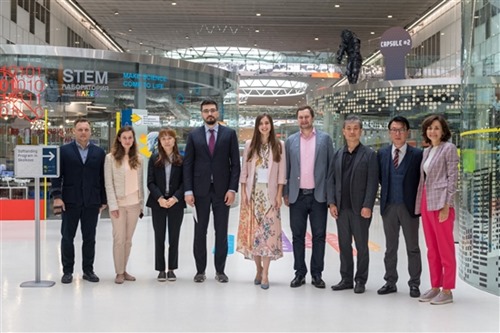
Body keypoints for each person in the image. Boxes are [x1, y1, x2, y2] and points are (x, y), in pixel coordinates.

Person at [183, 99, 241, 283]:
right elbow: (188, 165)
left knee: (221, 231)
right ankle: (200, 271)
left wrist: (232, 189)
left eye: (212, 110)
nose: (209, 113)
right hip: (199, 192)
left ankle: (220, 271)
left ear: (217, 113)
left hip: (222, 192)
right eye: (206, 110)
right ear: (201, 114)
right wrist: (188, 191)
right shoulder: (194, 135)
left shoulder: (229, 134)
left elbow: (235, 165)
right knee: (200, 232)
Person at [284, 105, 335, 289]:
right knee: (297, 236)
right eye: (300, 117)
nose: (304, 120)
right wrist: (286, 193)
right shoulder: (290, 141)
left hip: (318, 196)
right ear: (297, 119)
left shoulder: (325, 140)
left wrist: (331, 198)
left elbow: (331, 170)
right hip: (297, 196)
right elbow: (287, 169)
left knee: (319, 236)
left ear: (312, 118)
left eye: (307, 116)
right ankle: (299, 273)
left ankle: (317, 274)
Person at [51, 118, 106, 284]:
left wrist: (103, 200)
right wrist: (57, 197)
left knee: (90, 238)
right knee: (67, 237)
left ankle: (88, 270)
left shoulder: (99, 153)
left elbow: (102, 178)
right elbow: (56, 176)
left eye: (86, 129)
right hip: (70, 201)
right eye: (80, 129)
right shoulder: (63, 151)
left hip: (92, 202)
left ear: (90, 132)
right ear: (74, 131)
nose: (83, 132)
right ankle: (67, 271)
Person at [237, 114, 286, 290]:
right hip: (253, 195)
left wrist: (279, 194)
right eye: (261, 123)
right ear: (257, 126)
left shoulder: (279, 146)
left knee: (268, 236)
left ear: (271, 126)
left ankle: (266, 274)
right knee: (254, 236)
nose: (264, 126)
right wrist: (243, 193)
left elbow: (282, 174)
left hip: (270, 196)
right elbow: (244, 172)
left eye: (267, 123)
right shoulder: (250, 145)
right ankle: (258, 269)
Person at [330, 115, 378, 294]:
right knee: (343, 245)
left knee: (361, 246)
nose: (352, 131)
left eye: (355, 128)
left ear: (361, 131)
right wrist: (332, 203)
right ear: (343, 131)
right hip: (341, 209)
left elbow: (373, 183)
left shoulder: (369, 155)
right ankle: (346, 278)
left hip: (360, 209)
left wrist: (368, 205)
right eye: (348, 128)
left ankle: (360, 280)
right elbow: (331, 181)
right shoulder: (337, 154)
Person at [377, 116, 423, 298]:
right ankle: (390, 281)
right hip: (389, 207)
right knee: (390, 247)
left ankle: (414, 283)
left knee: (413, 247)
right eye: (394, 130)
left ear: (407, 132)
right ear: (389, 133)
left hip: (409, 207)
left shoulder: (418, 154)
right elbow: (380, 177)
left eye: (401, 130)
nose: (397, 133)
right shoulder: (382, 154)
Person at [415, 114, 459, 305]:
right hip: (426, 201)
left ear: (443, 131)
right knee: (432, 247)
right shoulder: (427, 151)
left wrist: (447, 205)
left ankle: (447, 290)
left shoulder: (449, 149)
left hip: (441, 203)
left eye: (436, 128)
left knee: (445, 247)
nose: (432, 131)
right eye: (430, 128)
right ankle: (435, 286)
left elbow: (453, 178)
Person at [104, 126, 144, 284]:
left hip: (134, 204)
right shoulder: (110, 158)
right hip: (119, 205)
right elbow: (108, 183)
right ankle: (119, 272)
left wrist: (141, 204)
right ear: (119, 139)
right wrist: (112, 205)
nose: (127, 140)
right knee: (119, 239)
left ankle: (124, 269)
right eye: (125, 137)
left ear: (133, 140)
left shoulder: (139, 158)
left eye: (130, 138)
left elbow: (140, 182)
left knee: (128, 240)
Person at [146, 128, 186, 282]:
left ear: (174, 141)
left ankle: (172, 269)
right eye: (164, 138)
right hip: (159, 203)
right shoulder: (154, 158)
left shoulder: (181, 160)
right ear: (160, 142)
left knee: (174, 237)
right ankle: (161, 269)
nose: (167, 141)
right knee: (159, 236)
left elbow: (185, 182)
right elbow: (150, 182)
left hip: (176, 202)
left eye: (170, 138)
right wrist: (160, 198)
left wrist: (175, 197)